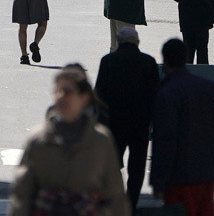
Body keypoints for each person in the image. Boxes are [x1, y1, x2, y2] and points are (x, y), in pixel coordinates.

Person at [7, 65, 130, 216]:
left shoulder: (100, 141)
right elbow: (21, 193)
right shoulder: (38, 140)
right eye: (57, 91)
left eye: (67, 91)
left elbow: (115, 195)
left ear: (84, 98)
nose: (61, 96)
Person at [150, 38, 214, 216]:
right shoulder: (208, 86)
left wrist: (158, 181)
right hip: (207, 171)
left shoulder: (165, 93)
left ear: (165, 60)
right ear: (186, 58)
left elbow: (163, 141)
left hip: (179, 175)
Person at [95, 27, 159, 211]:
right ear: (137, 42)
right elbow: (156, 95)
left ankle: (114, 202)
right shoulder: (148, 62)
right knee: (137, 167)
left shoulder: (108, 61)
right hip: (140, 123)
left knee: (112, 165)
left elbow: (99, 93)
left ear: (118, 41)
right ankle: (131, 204)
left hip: (114, 123)